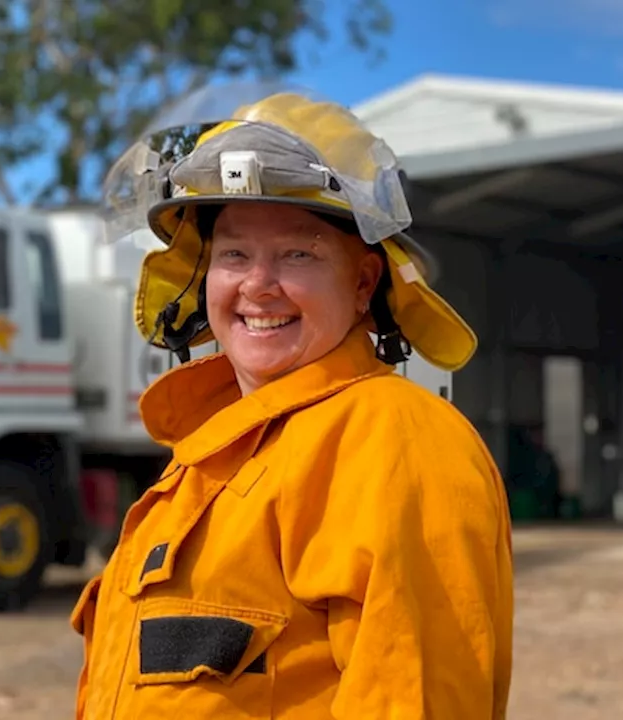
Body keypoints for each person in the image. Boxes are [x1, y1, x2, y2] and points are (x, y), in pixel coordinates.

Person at [70, 81, 514, 719]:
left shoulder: (391, 443)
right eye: (234, 254)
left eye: (297, 254)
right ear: (203, 276)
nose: (257, 285)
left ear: (364, 281)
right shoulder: (217, 450)